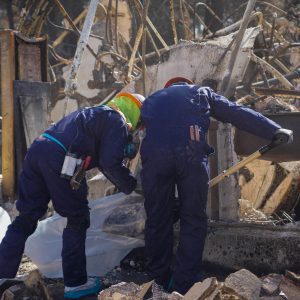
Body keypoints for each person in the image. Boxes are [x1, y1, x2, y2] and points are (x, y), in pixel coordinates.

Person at [139, 77, 293, 295]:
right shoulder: (201, 92)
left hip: (155, 159)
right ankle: (185, 285)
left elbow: (130, 130)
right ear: (187, 83)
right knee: (193, 219)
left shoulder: (152, 100)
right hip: (190, 156)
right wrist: (274, 129)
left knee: (157, 218)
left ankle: (156, 283)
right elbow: (235, 112)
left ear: (168, 87)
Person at [0, 92, 145, 299]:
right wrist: (133, 187)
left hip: (38, 150)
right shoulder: (117, 121)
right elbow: (110, 163)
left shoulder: (95, 112)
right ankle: (76, 284)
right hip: (61, 158)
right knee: (77, 218)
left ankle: (2, 276)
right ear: (136, 113)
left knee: (26, 218)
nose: (138, 129)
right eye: (140, 124)